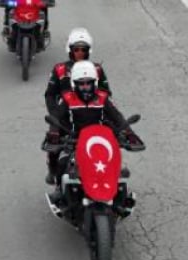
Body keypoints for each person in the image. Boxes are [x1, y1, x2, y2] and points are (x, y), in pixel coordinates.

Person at [43, 60, 143, 194]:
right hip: (75, 140)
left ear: (94, 83)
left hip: (99, 141)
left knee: (119, 168)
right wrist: (54, 132)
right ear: (74, 84)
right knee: (62, 163)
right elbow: (56, 117)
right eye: (81, 84)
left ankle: (120, 196)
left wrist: (129, 132)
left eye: (88, 83)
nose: (85, 87)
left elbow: (117, 117)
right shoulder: (67, 98)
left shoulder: (102, 98)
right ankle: (59, 192)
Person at [45, 28, 110, 116]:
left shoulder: (97, 69)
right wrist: (55, 116)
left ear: (88, 51)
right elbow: (50, 95)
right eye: (76, 50)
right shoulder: (59, 69)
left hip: (94, 115)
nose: (80, 53)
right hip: (66, 118)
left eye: (83, 50)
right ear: (71, 50)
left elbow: (106, 94)